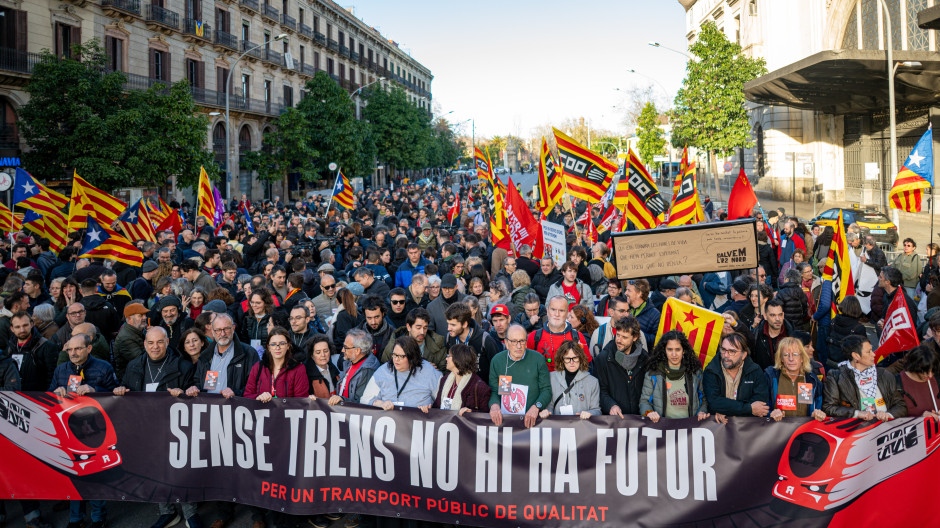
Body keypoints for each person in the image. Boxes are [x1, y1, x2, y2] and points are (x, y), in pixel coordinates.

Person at [50, 334, 118, 528]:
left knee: (95, 474)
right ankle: (75, 519)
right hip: (70, 431)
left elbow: (116, 394)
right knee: (73, 475)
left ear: (89, 349)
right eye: (70, 349)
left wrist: (94, 389)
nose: (73, 353)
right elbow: (48, 395)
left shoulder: (104, 367)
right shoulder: (60, 370)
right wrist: (55, 393)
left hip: (96, 429)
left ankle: (98, 518)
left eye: (78, 349)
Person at [822, 335, 907, 421]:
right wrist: (857, 414)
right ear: (856, 356)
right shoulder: (836, 377)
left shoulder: (884, 374)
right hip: (857, 430)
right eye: (869, 352)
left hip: (884, 429)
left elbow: (900, 405)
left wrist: (888, 414)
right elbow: (829, 408)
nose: (873, 354)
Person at [488, 324, 552, 428]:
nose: (519, 346)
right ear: (507, 343)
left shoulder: (538, 359)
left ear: (526, 342)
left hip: (532, 421)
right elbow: (494, 391)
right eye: (514, 341)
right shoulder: (498, 361)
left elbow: (546, 390)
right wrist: (494, 405)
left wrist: (536, 407)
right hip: (505, 421)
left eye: (522, 341)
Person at [639, 330, 710, 422]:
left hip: (690, 429)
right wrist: (649, 412)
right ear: (664, 350)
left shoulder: (695, 372)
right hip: (663, 429)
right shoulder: (653, 373)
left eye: (677, 349)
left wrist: (702, 412)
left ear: (683, 351)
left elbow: (703, 399)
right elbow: (644, 401)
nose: (674, 354)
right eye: (669, 349)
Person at [187, 313, 259, 399]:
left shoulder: (249, 353)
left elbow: (255, 385)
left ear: (233, 328)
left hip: (235, 408)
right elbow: (198, 382)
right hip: (209, 408)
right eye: (218, 330)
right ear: (213, 332)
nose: (222, 333)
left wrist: (236, 393)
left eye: (226, 329)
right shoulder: (206, 355)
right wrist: (194, 388)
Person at [703, 333, 771, 423]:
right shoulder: (711, 370)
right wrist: (748, 408)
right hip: (718, 428)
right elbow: (714, 402)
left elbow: (761, 405)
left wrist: (726, 410)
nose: (726, 355)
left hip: (748, 428)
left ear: (743, 355)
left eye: (732, 351)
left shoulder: (755, 370)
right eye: (723, 350)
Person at [365, 335, 441, 410]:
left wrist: (431, 409)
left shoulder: (429, 372)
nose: (396, 360)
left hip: (418, 419)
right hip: (388, 420)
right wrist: (380, 403)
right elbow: (365, 399)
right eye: (394, 355)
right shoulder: (383, 371)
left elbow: (442, 401)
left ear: (412, 357)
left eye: (401, 356)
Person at [765, 337, 826, 421]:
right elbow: (762, 408)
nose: (791, 359)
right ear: (781, 359)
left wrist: (816, 414)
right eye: (786, 355)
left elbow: (820, 407)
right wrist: (770, 413)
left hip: (802, 431)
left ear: (802, 358)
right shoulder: (770, 377)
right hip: (777, 430)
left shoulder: (812, 380)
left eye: (795, 354)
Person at [540, 341, 601, 419]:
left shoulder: (592, 382)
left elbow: (597, 410)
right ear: (562, 360)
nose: (571, 362)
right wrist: (547, 411)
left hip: (581, 427)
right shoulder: (551, 378)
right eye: (568, 358)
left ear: (580, 358)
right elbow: (550, 406)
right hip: (557, 428)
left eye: (575, 358)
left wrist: (590, 413)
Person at [244, 327, 309, 401]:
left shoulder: (298, 369)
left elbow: (301, 400)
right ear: (268, 347)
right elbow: (247, 395)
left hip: (287, 412)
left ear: (288, 346)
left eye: (282, 343)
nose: (277, 348)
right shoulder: (258, 367)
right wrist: (257, 397)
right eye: (273, 344)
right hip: (263, 411)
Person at [428, 343, 492, 415]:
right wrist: (428, 410)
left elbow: (486, 415)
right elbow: (437, 406)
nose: (446, 358)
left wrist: (471, 413)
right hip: (444, 425)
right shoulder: (444, 379)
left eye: (449, 356)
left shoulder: (480, 387)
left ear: (458, 359)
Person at [527, 296, 590, 366]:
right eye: (553, 309)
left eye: (561, 310)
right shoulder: (533, 337)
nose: (557, 314)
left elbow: (587, 366)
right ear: (547, 311)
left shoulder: (578, 337)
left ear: (567, 313)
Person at [8, 310, 58, 391]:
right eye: (17, 327)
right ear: (12, 329)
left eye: (25, 325)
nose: (22, 330)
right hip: (14, 397)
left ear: (31, 324)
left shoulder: (46, 346)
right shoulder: (9, 347)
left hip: (37, 397)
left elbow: (52, 377)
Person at [328, 328, 381, 404]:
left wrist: (342, 399)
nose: (343, 350)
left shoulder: (368, 370)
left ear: (357, 351)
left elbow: (361, 401)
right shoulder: (350, 361)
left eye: (346, 347)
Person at [825, 295, 868, 370]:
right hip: (848, 365)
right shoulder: (859, 328)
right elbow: (864, 348)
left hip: (831, 360)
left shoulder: (833, 322)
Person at [897, 345, 940, 417]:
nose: (930, 375)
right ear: (915, 366)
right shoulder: (897, 383)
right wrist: (919, 420)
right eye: (925, 371)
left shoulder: (936, 379)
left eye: (932, 371)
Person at [113, 302, 150, 380]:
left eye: (145, 314)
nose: (145, 317)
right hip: (130, 379)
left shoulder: (137, 331)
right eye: (140, 315)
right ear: (129, 319)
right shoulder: (126, 338)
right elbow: (141, 361)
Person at [751, 298, 792, 370]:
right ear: (765, 316)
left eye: (780, 315)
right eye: (773, 315)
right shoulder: (756, 335)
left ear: (783, 315)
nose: (777, 319)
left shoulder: (791, 334)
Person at [625, 279, 661, 345]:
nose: (625, 293)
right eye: (626, 290)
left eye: (629, 290)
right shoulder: (625, 309)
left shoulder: (655, 315)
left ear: (639, 293)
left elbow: (657, 339)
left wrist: (636, 335)